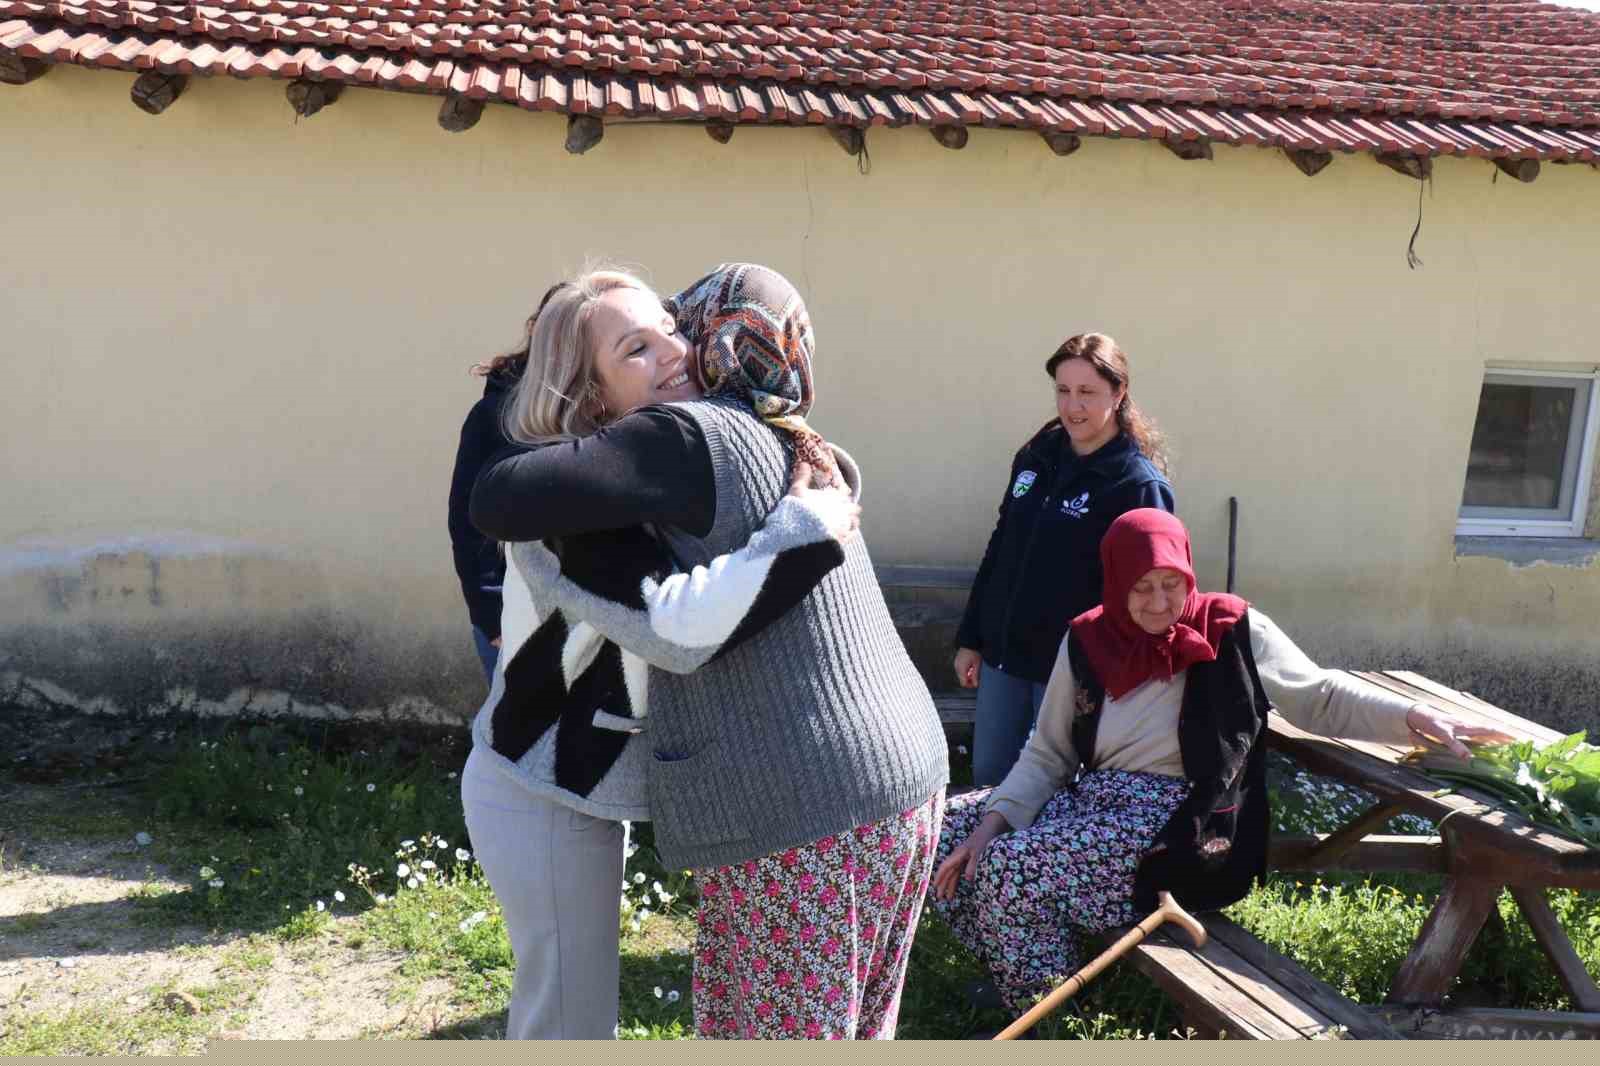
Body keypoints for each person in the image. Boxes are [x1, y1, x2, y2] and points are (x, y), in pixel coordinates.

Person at [472, 263, 950, 1040]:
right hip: (547, 786)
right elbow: (677, 627)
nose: (673, 351)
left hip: (788, 809)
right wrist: (808, 530)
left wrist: (811, 524)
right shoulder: (670, 463)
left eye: (670, 327)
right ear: (592, 399)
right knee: (567, 1024)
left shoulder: (703, 439)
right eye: (635, 348)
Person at [929, 509, 1511, 1015]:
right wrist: (989, 825)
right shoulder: (1086, 640)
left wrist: (1415, 716)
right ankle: (1021, 968)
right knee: (946, 829)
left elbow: (1322, 697)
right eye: (1141, 588)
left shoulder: (1232, 628)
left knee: (1010, 868)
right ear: (1114, 582)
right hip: (1094, 803)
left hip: (1184, 821)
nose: (1159, 604)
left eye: (1170, 584)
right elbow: (1048, 753)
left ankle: (1048, 1011)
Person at [954, 333, 1175, 787]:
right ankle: (984, 862)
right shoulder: (1035, 459)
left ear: (1119, 394)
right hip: (1003, 662)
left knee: (1053, 796)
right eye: (1063, 390)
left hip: (1073, 675)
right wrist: (972, 637)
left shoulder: (1135, 485)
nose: (1072, 405)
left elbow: (1155, 596)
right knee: (988, 785)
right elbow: (1001, 549)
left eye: (1087, 392)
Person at [448, 284, 565, 683]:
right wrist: (490, 612)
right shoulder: (494, 416)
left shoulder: (613, 413)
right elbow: (467, 523)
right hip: (510, 616)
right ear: (537, 331)